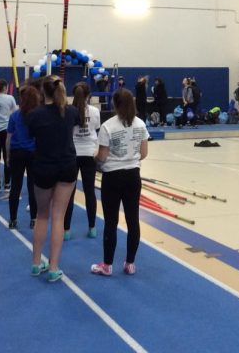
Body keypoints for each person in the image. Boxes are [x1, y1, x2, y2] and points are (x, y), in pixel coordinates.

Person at [25, 76, 79, 283]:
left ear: (42, 93)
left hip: (44, 167)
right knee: (58, 216)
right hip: (66, 166)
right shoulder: (71, 112)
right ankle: (54, 267)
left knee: (42, 215)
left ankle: (36, 263)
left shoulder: (34, 115)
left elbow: (31, 136)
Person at [92, 88, 149, 277]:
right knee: (133, 220)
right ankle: (130, 263)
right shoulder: (140, 124)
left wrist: (96, 160)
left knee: (111, 221)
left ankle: (107, 265)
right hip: (133, 176)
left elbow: (102, 156)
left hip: (112, 177)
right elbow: (144, 153)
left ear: (115, 104)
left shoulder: (108, 126)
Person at [64, 82, 100, 240]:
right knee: (89, 191)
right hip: (89, 154)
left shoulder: (67, 111)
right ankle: (92, 227)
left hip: (72, 154)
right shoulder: (94, 111)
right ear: (88, 96)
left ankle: (66, 230)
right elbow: (95, 129)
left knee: (68, 194)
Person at [6, 85, 41, 229]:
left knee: (16, 186)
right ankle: (33, 218)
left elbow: (8, 138)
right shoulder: (38, 115)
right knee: (33, 187)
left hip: (17, 152)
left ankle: (13, 219)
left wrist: (7, 155)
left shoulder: (15, 115)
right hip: (33, 153)